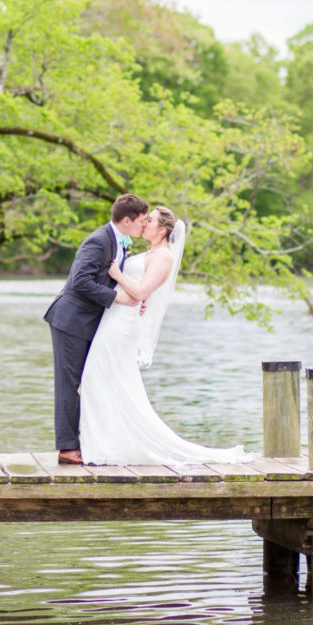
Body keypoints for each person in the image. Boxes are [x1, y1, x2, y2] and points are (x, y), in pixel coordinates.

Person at [77, 206, 248, 466]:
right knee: (104, 379)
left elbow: (142, 291)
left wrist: (118, 274)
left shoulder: (164, 257)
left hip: (123, 325)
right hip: (115, 319)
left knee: (98, 377)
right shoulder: (151, 252)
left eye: (151, 219)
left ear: (163, 229)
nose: (145, 222)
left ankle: (106, 446)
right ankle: (106, 443)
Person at [44, 194, 149, 465]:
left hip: (90, 322)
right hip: (70, 320)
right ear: (126, 220)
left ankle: (89, 441)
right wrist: (117, 298)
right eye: (141, 221)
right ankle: (67, 448)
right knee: (69, 384)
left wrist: (132, 298)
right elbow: (80, 281)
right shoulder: (98, 240)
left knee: (91, 381)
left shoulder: (119, 240)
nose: (144, 226)